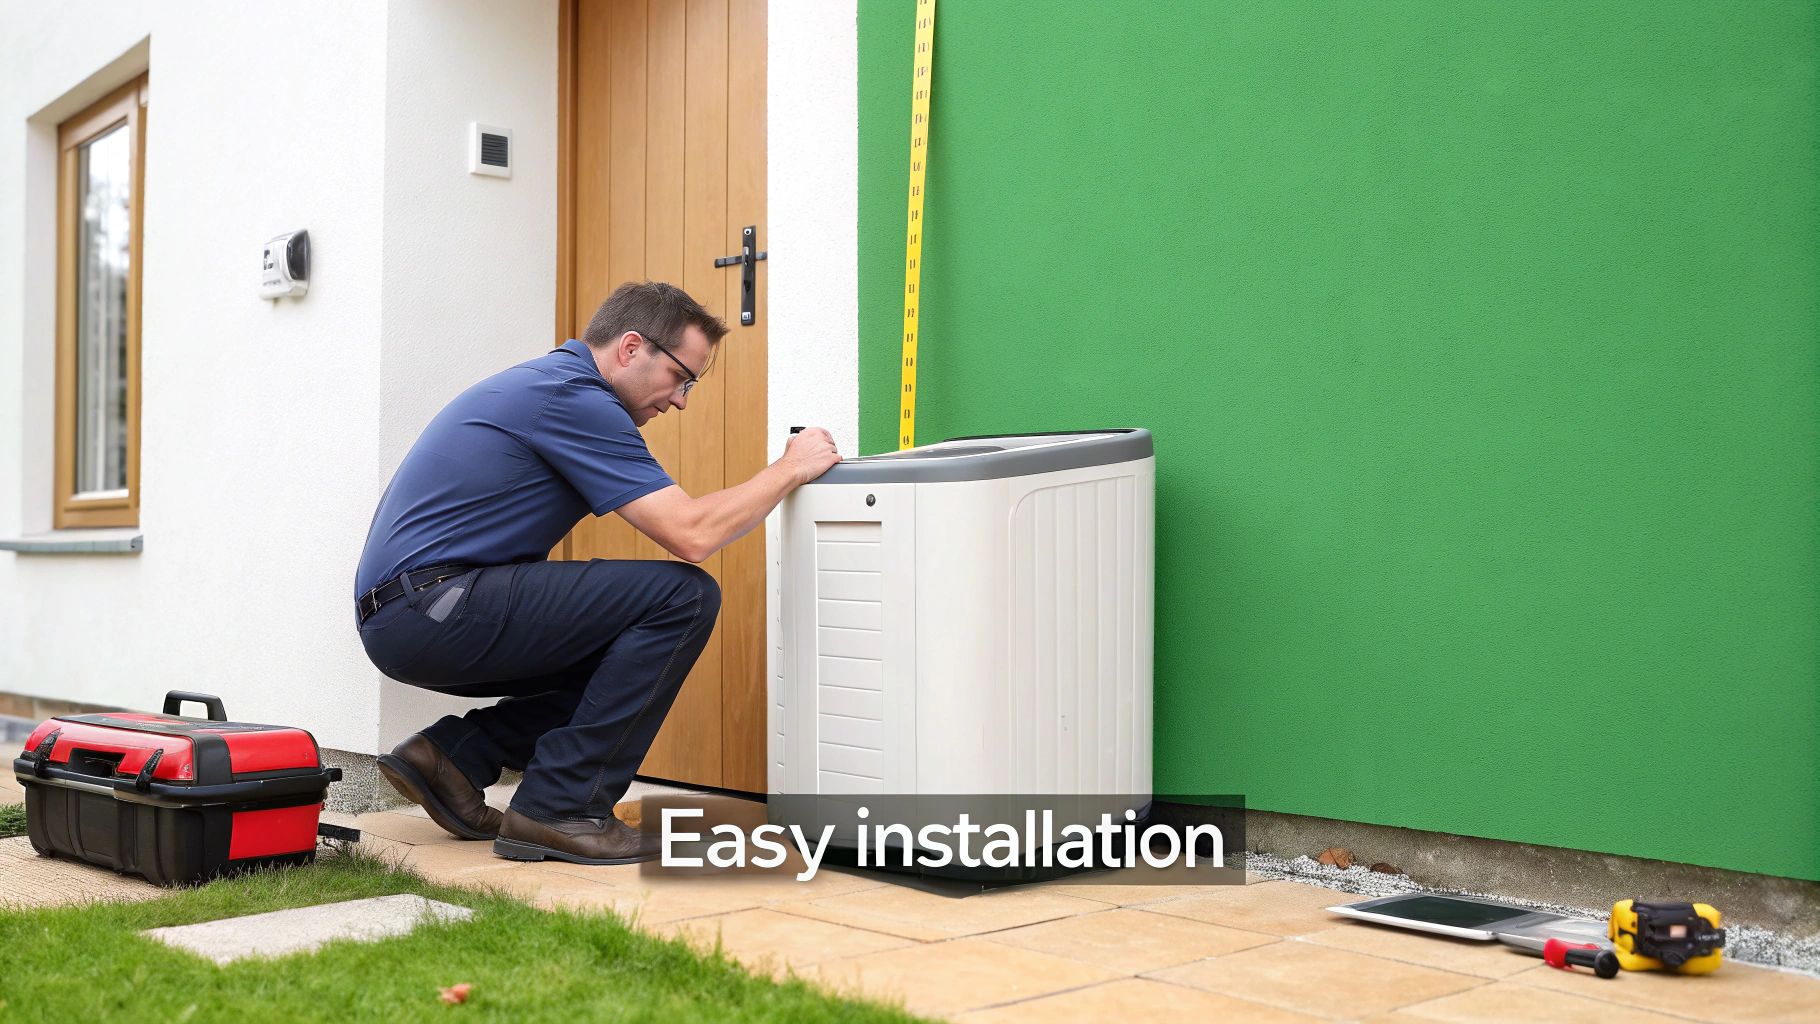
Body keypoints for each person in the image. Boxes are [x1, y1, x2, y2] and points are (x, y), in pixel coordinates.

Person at [353, 280, 841, 865]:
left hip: (415, 611)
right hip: (433, 606)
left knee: (621, 643)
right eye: (683, 377)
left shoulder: (550, 386)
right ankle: (562, 808)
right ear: (632, 348)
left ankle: (455, 758)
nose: (682, 399)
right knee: (679, 599)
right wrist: (790, 468)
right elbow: (692, 534)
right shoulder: (572, 398)